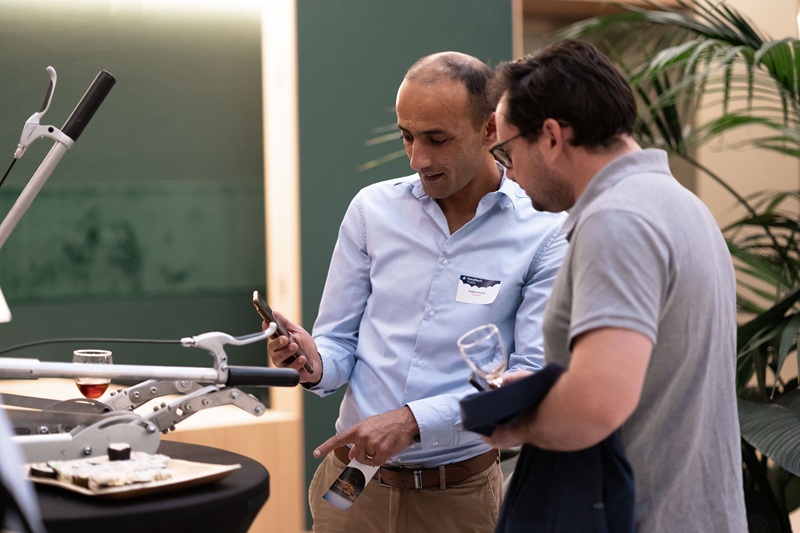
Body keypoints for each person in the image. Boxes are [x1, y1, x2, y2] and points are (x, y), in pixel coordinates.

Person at [267, 51, 568, 532]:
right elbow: (338, 343)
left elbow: (527, 379)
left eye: (437, 139)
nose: (418, 158)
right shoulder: (371, 210)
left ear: (490, 130)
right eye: (407, 136)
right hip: (353, 486)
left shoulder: (545, 232)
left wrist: (412, 420)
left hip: (459, 499)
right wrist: (313, 361)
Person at [485, 40, 747, 532]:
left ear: (552, 136)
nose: (507, 170)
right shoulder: (680, 204)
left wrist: (515, 421)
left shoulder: (616, 220)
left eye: (507, 149)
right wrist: (548, 391)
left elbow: (595, 404)